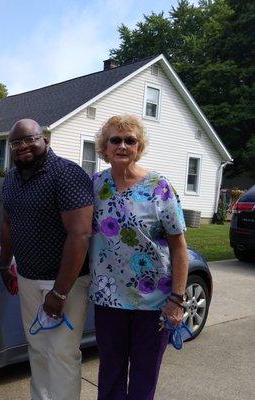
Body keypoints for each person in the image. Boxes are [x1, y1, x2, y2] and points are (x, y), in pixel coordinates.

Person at [89, 114, 188, 399]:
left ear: (138, 146)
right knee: (110, 375)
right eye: (115, 140)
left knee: (144, 380)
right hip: (108, 299)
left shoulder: (160, 186)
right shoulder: (95, 185)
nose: (122, 145)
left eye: (130, 140)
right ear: (104, 148)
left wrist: (177, 300)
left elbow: (179, 246)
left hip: (154, 303)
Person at [0, 119, 94, 400]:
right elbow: (7, 222)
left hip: (65, 283)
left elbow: (80, 235)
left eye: (30, 139)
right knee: (37, 348)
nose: (23, 147)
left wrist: (60, 291)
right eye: (16, 143)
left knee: (62, 353)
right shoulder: (12, 179)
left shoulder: (67, 174)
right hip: (28, 277)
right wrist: (5, 263)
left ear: (45, 140)